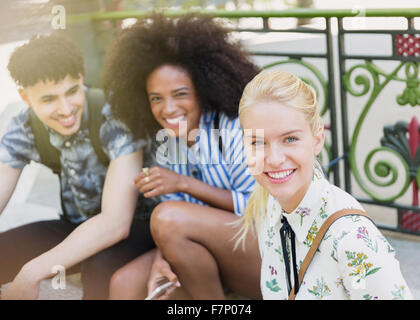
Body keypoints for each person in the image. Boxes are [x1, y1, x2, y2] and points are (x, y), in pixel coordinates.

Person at [103, 14, 262, 299]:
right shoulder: (167, 142)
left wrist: (183, 183)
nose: (168, 108)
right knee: (124, 283)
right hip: (205, 255)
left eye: (180, 94)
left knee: (167, 217)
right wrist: (164, 260)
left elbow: (258, 208)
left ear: (202, 90)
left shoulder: (234, 126)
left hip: (265, 250)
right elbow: (175, 229)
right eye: (156, 98)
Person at [0, 33, 158, 299]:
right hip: (75, 226)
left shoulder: (114, 116)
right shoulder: (24, 126)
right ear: (25, 97)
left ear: (82, 76)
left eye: (72, 91)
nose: (65, 109)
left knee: (99, 271)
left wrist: (31, 272)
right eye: (49, 99)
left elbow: (115, 223)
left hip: (135, 228)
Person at [236, 69, 413, 300]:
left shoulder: (352, 240)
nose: (275, 158)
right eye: (258, 142)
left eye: (290, 139)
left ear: (317, 139)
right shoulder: (270, 206)